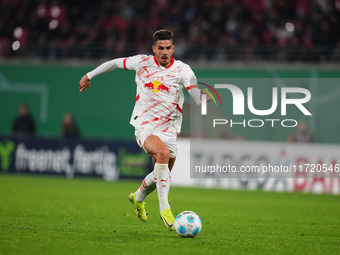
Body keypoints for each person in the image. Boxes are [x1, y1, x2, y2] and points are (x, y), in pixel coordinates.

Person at [79, 29, 210, 231]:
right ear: (154, 49)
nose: (164, 52)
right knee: (162, 154)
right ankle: (165, 208)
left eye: (168, 48)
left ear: (173, 48)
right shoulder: (142, 62)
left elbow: (194, 92)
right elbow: (114, 63)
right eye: (160, 48)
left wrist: (202, 99)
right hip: (145, 125)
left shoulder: (183, 70)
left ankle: (137, 197)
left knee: (160, 175)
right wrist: (90, 75)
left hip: (170, 129)